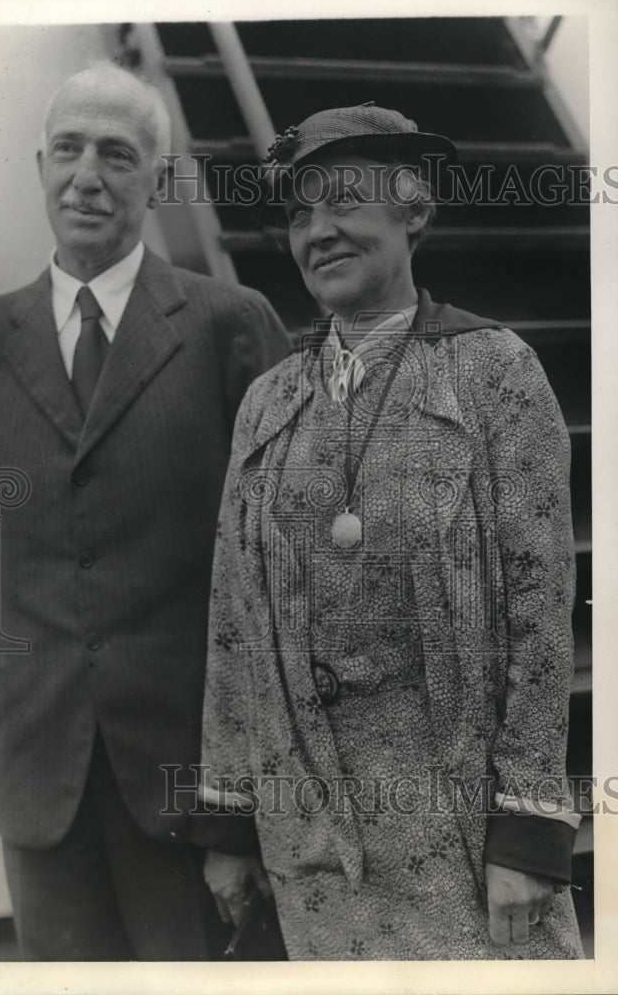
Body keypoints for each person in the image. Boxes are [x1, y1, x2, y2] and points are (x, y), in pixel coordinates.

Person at [201, 102, 584, 959]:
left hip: (458, 852)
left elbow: (540, 616)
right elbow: (233, 623)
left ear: (414, 210)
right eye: (299, 214)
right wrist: (228, 825)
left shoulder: (495, 374)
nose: (319, 231)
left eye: (345, 200)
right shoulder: (269, 403)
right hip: (312, 858)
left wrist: (523, 833)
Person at [0, 62, 289, 961]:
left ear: (160, 179)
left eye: (117, 154)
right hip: (36, 763)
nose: (87, 176)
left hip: (189, 776)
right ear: (40, 167)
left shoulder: (230, 323)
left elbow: (280, 574)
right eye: (68, 150)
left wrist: (241, 809)